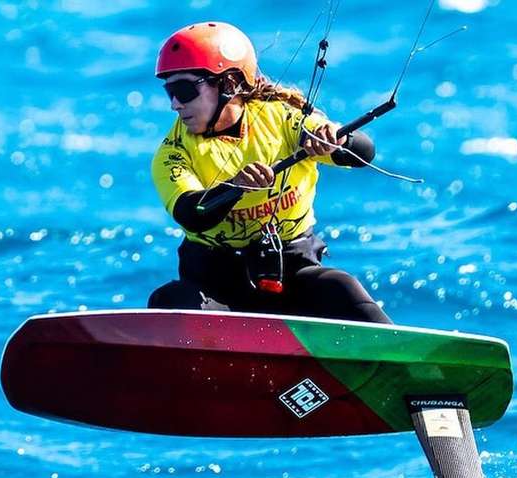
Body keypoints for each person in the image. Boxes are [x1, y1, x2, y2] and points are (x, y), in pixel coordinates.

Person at [148, 21, 392, 325]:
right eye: (169, 91)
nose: (174, 104)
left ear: (228, 84)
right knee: (169, 300)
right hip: (218, 289)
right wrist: (236, 186)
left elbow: (364, 154)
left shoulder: (283, 118)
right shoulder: (172, 154)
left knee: (340, 287)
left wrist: (337, 141)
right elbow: (192, 212)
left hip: (293, 272)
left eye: (184, 90)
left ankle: (407, 368)